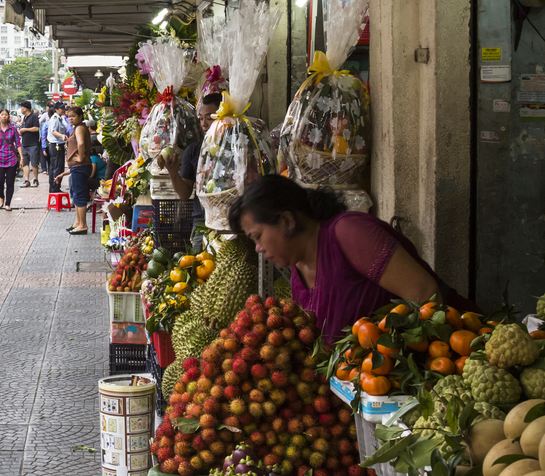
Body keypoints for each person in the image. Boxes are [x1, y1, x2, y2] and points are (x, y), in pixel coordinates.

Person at [229, 175, 476, 345]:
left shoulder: (348, 232)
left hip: (462, 351)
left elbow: (425, 293)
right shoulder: (298, 270)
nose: (258, 248)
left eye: (257, 237)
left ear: (286, 221)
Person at [159, 93, 221, 226]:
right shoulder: (193, 151)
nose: (204, 124)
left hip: (230, 222)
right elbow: (184, 194)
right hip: (202, 222)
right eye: (200, 119)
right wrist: (173, 172)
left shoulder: (234, 148)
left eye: (210, 118)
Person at [62, 105, 93, 235]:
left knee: (79, 195)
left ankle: (83, 225)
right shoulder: (77, 128)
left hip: (80, 166)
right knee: (76, 194)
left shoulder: (80, 128)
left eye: (73, 116)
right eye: (69, 116)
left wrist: (80, 157)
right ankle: (78, 222)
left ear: (80, 117)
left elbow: (81, 143)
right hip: (77, 167)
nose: (71, 118)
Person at [0, 108, 23, 210]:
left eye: (6, 115)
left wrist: (22, 158)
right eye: (2, 114)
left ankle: (7, 203)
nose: (4, 116)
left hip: (11, 160)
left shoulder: (13, 129)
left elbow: (18, 144)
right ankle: (1, 197)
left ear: (8, 117)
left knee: (10, 182)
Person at [45, 102, 70, 196]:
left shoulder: (59, 118)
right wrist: (62, 136)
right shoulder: (55, 118)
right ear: (56, 109)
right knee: (57, 167)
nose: (63, 109)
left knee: (55, 167)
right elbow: (53, 131)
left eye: (64, 107)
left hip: (57, 145)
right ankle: (55, 187)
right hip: (56, 145)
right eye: (61, 108)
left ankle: (54, 187)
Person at [18, 100, 41, 188]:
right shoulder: (24, 118)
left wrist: (25, 130)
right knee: (25, 163)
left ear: (25, 108)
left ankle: (35, 179)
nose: (21, 109)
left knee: (34, 163)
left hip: (33, 144)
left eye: (21, 107)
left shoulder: (33, 116)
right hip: (25, 143)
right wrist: (21, 132)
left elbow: (36, 128)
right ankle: (27, 180)